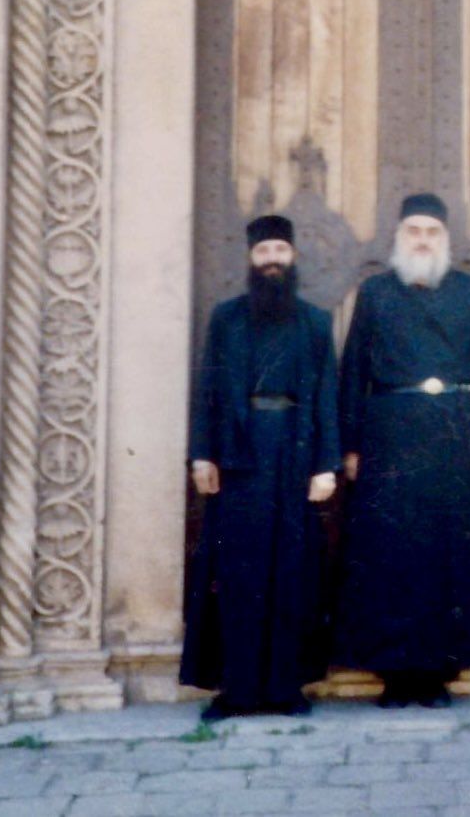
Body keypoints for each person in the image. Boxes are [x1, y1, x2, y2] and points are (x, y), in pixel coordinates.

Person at [335, 192, 470, 707]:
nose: (423, 240)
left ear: (444, 239)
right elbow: (353, 369)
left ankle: (436, 673)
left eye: (432, 232)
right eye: (414, 232)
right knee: (391, 555)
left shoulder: (466, 291)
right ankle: (393, 675)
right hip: (389, 433)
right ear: (399, 238)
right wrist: (350, 444)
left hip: (451, 432)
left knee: (444, 556)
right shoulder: (375, 292)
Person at [181, 215, 340, 721]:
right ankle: (237, 691)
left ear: (293, 257)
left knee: (291, 575)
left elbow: (327, 395)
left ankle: (285, 690)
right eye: (264, 251)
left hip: (295, 455)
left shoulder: (315, 322)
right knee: (238, 575)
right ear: (251, 259)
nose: (273, 259)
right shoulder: (225, 318)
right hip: (238, 456)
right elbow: (207, 389)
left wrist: (327, 465)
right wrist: (201, 454)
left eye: (280, 251)